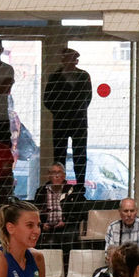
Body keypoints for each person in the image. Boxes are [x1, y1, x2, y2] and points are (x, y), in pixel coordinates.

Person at [43, 47, 93, 188]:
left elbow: (87, 97)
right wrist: (60, 111)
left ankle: (80, 185)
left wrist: (78, 110)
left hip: (79, 121)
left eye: (73, 59)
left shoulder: (84, 76)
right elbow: (47, 99)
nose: (70, 62)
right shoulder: (55, 77)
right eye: (67, 59)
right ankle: (58, 184)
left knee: (80, 155)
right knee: (59, 154)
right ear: (63, 60)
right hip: (61, 122)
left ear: (76, 61)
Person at [34, 162, 80, 250]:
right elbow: (36, 211)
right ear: (49, 175)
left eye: (59, 173)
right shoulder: (41, 191)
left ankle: (66, 259)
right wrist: (42, 224)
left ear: (64, 176)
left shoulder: (72, 191)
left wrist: (65, 222)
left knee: (71, 234)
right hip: (45, 226)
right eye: (54, 173)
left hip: (66, 226)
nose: (57, 176)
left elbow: (77, 212)